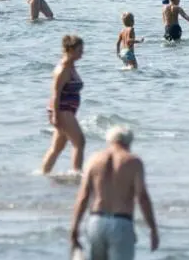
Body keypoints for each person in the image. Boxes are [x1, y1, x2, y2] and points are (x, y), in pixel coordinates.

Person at [70, 126, 159, 259]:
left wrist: (74, 228)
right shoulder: (133, 161)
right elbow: (142, 197)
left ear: (109, 140)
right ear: (129, 142)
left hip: (96, 221)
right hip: (121, 222)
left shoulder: (94, 159)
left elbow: (83, 197)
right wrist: (152, 228)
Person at [41, 35, 85, 174]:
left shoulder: (71, 66)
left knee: (57, 147)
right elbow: (56, 93)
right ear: (70, 50)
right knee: (80, 142)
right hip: (61, 110)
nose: (82, 53)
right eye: (79, 50)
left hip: (67, 110)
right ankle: (76, 175)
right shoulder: (63, 69)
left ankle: (43, 173)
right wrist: (55, 116)